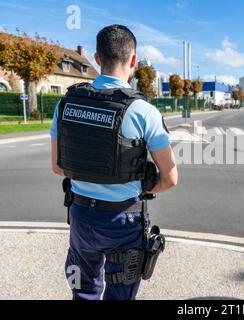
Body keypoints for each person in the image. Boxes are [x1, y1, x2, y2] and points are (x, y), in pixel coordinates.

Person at [50, 25, 178, 300]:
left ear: (97, 58)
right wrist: (142, 188)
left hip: (81, 216)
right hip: (123, 220)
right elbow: (169, 178)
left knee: (83, 293)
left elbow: (58, 167)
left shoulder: (66, 104)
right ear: (133, 60)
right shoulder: (144, 112)